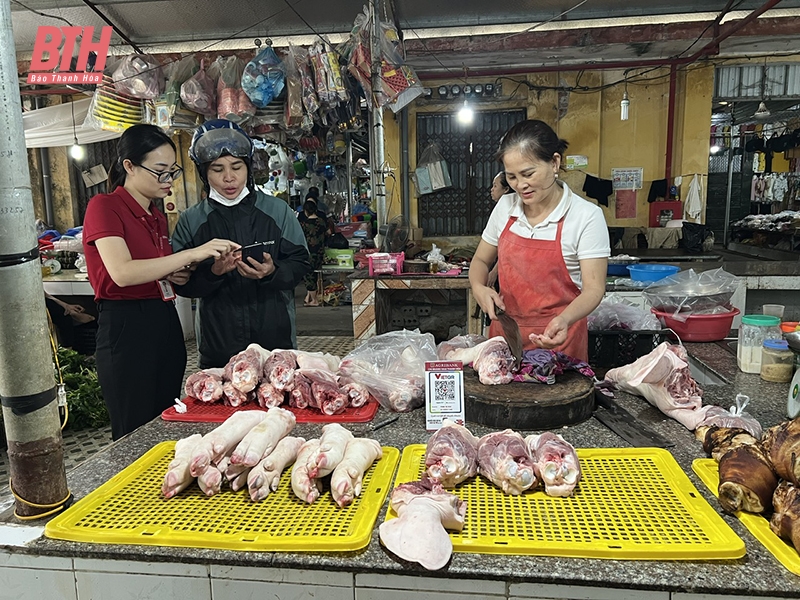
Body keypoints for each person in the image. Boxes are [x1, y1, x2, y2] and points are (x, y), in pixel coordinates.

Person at [82, 124, 239, 440]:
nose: (168, 179)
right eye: (160, 171)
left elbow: (155, 270)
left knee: (164, 423)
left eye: (172, 171)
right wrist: (189, 254)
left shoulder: (156, 216)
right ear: (129, 166)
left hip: (163, 320)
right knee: (133, 431)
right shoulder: (105, 206)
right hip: (126, 327)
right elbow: (122, 273)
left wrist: (178, 272)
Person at [172, 119, 311, 368]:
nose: (229, 177)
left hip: (275, 341)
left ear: (248, 167)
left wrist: (273, 271)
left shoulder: (277, 211)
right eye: (217, 169)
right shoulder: (191, 221)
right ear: (204, 173)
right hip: (219, 345)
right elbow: (183, 284)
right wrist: (214, 272)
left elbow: (301, 263)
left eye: (237, 166)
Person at [469, 120, 609, 361]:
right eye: (511, 177)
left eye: (528, 174)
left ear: (554, 162)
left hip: (559, 339)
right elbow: (481, 260)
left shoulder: (585, 216)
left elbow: (594, 289)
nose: (521, 185)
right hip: (506, 338)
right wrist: (479, 287)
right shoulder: (505, 207)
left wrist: (564, 319)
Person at [299, 199, 329, 307]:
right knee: (314, 274)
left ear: (305, 211)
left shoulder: (304, 224)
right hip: (320, 252)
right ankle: (309, 297)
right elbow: (328, 233)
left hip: (309, 253)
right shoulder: (321, 222)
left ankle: (314, 300)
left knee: (309, 275)